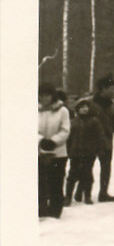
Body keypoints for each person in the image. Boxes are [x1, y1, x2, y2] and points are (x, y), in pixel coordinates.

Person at [89, 75, 114, 202]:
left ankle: (103, 193)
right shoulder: (89, 104)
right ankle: (83, 191)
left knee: (106, 168)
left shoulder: (113, 106)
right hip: (90, 142)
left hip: (106, 142)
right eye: (112, 88)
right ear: (103, 89)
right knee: (86, 167)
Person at [64, 97, 107, 205]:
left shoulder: (94, 121)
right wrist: (68, 151)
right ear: (77, 109)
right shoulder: (72, 122)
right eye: (82, 107)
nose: (84, 109)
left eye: (86, 107)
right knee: (72, 175)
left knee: (87, 174)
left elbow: (100, 136)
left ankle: (87, 196)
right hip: (75, 153)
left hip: (89, 153)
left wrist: (101, 148)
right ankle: (68, 197)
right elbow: (68, 139)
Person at [39, 83, 71, 219]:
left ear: (53, 96)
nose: (44, 98)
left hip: (58, 152)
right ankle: (40, 208)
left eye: (47, 95)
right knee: (40, 181)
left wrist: (54, 141)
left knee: (56, 181)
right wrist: (40, 140)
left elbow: (65, 130)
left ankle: (55, 209)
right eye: (41, 95)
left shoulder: (62, 111)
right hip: (39, 151)